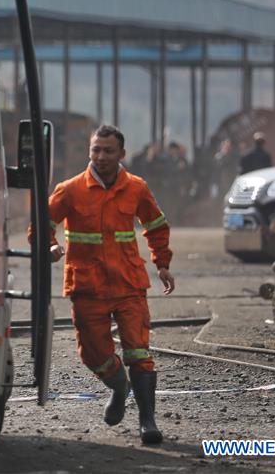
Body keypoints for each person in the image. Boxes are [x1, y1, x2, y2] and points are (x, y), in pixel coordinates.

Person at [30, 124, 174, 444]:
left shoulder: (136, 188)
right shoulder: (70, 190)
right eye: (96, 149)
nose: (102, 156)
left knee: (139, 350)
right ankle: (119, 386)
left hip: (128, 283)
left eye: (109, 151)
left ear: (122, 154)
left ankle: (147, 422)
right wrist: (49, 246)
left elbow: (156, 225)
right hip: (88, 286)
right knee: (94, 354)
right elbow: (41, 223)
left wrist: (162, 263)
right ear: (89, 151)